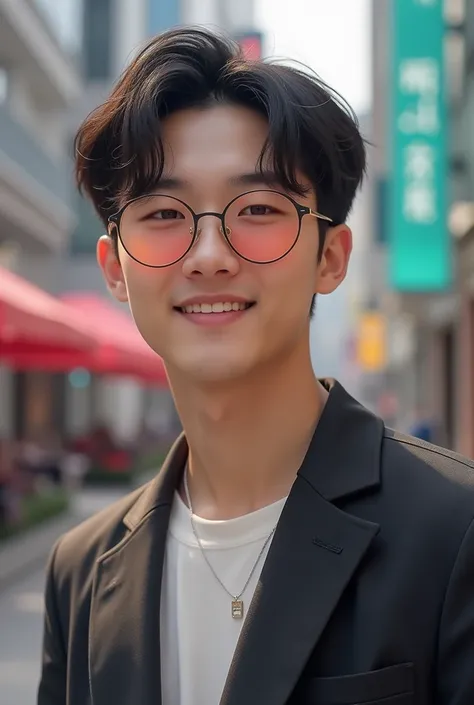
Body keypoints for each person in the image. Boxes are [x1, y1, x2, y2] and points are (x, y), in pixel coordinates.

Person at [38, 27, 474, 705]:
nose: (209, 253)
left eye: (259, 209)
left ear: (331, 255)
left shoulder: (454, 533)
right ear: (114, 269)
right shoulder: (81, 572)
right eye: (162, 212)